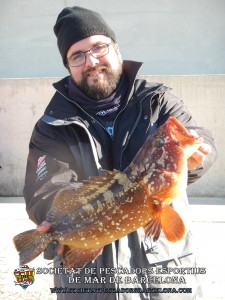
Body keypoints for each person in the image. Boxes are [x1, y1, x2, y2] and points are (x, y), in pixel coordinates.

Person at [23, 6, 217, 300]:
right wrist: (56, 220)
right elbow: (45, 189)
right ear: (68, 66)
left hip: (164, 276)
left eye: (98, 47)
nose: (91, 61)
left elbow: (200, 138)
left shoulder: (158, 100)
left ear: (116, 48)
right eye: (77, 55)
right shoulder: (52, 125)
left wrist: (198, 158)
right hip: (88, 284)